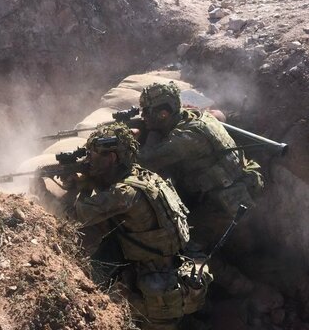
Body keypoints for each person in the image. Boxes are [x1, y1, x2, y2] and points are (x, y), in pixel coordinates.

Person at [34, 123, 208, 330]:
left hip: (156, 291)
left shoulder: (124, 194)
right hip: (173, 271)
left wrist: (42, 191)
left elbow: (70, 217)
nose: (86, 160)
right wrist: (78, 184)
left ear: (112, 158)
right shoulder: (146, 176)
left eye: (92, 154)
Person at [136, 82, 266, 297]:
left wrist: (137, 137)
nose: (144, 117)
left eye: (147, 112)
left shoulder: (185, 139)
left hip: (226, 204)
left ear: (164, 113)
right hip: (239, 188)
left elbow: (145, 161)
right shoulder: (195, 117)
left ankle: (242, 288)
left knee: (183, 247)